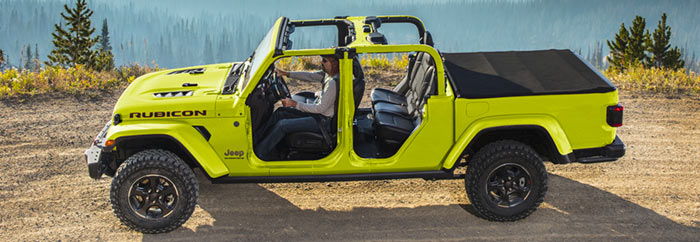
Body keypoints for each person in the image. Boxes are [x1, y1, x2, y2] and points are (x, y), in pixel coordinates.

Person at [254, 54, 340, 160]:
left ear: (335, 64)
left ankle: (259, 154)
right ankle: (256, 140)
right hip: (319, 115)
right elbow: (310, 76)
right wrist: (287, 73)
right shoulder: (328, 75)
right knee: (280, 112)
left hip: (323, 121)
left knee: (282, 125)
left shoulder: (333, 83)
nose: (321, 62)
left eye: (324, 61)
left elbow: (320, 109)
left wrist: (294, 104)